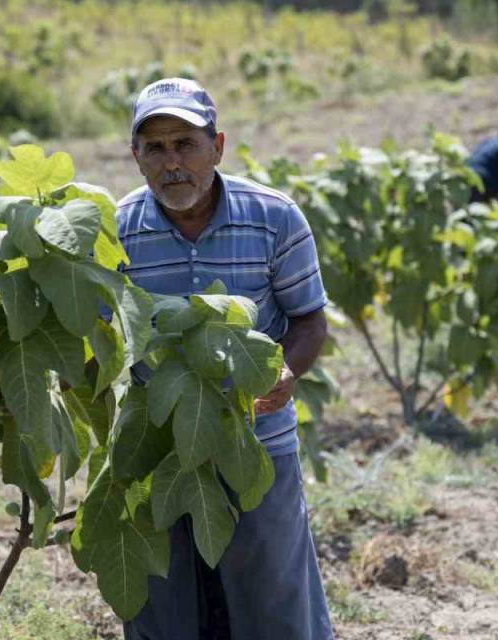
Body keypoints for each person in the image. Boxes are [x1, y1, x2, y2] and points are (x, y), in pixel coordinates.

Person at [115, 78, 334, 640]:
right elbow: (104, 340)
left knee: (273, 603)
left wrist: (285, 370)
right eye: (155, 148)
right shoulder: (114, 233)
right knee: (165, 607)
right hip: (158, 446)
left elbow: (309, 320)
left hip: (253, 438)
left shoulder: (275, 217)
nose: (172, 163)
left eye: (185, 143)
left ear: (218, 145)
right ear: (136, 157)